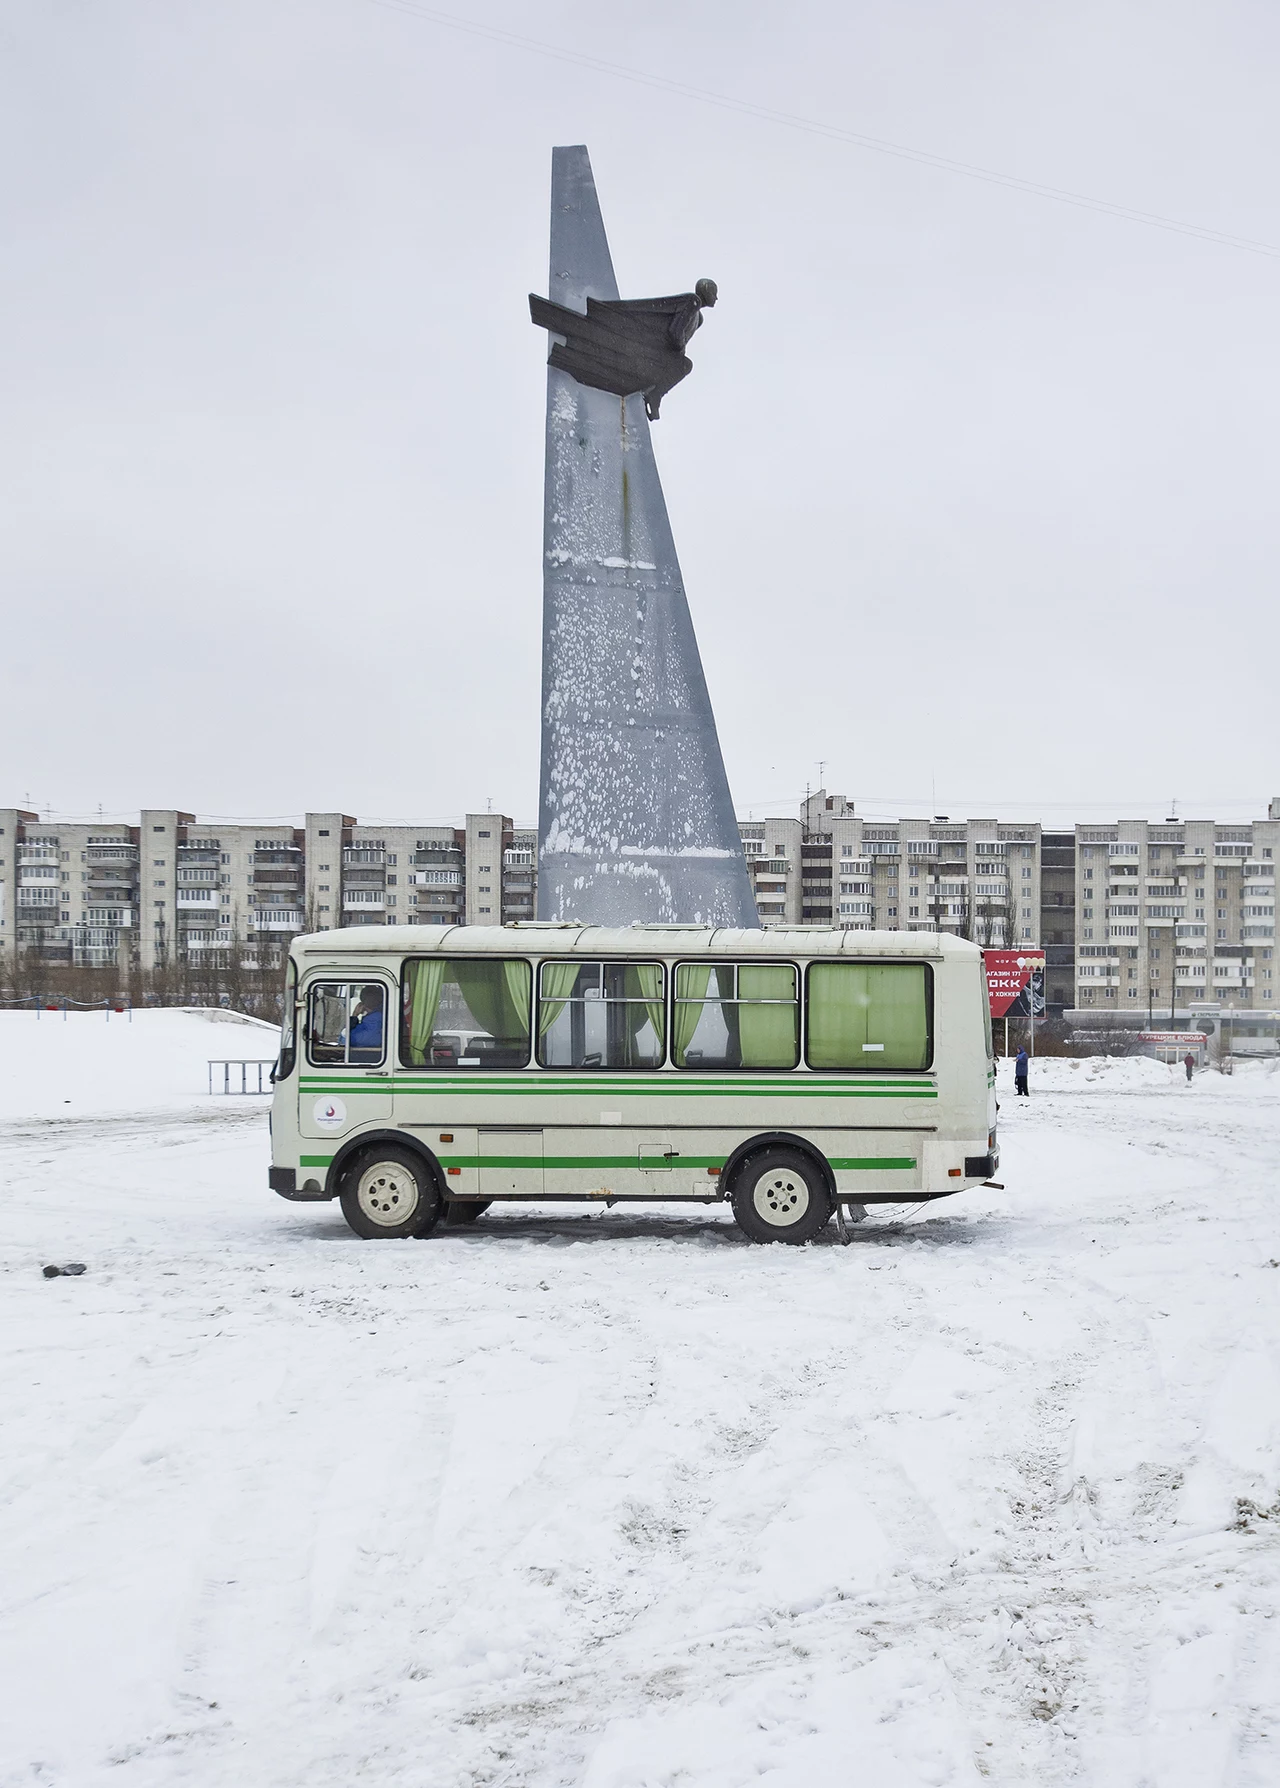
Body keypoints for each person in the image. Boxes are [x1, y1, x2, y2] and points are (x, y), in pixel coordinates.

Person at [348, 985, 384, 1057]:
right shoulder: (375, 1016)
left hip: (369, 1057)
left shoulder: (375, 1018)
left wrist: (355, 1015)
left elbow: (353, 1039)